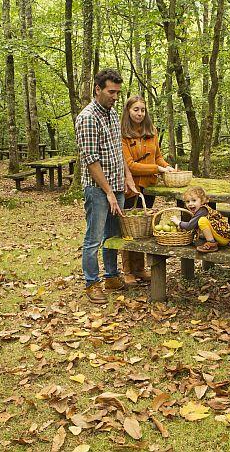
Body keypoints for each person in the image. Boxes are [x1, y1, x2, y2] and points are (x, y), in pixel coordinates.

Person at [75, 69, 139, 304]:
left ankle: (112, 276)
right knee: (94, 237)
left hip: (116, 186)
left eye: (118, 93)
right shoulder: (88, 118)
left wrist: (127, 177)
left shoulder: (112, 115)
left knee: (114, 235)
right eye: (111, 92)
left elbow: (116, 150)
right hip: (97, 190)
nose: (115, 97)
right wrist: (109, 193)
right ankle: (92, 283)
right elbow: (91, 161)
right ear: (98, 89)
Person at [120, 96, 174, 283]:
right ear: (128, 111)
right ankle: (128, 271)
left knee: (143, 229)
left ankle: (140, 268)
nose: (140, 113)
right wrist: (157, 169)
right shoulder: (123, 135)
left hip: (149, 187)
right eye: (136, 109)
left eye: (142, 110)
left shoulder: (152, 131)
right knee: (129, 230)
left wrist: (167, 167)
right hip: (131, 187)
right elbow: (130, 165)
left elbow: (157, 157)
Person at [172, 186, 230, 253]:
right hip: (218, 237)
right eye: (187, 202)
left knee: (202, 220)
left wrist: (178, 222)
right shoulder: (199, 211)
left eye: (194, 200)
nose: (190, 204)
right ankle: (210, 241)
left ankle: (211, 244)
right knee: (197, 242)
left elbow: (189, 226)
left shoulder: (203, 210)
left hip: (222, 237)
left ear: (202, 201)